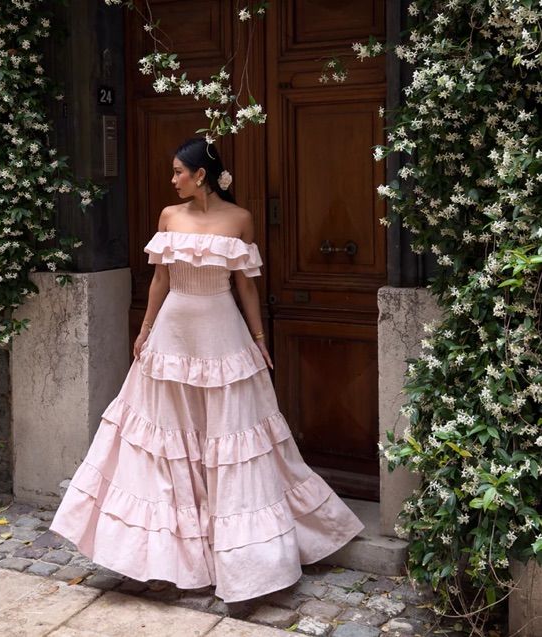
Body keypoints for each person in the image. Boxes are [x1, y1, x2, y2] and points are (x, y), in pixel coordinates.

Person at [49, 137, 364, 603]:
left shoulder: (239, 220)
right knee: (164, 441)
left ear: (201, 175)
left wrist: (259, 341)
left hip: (222, 334)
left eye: (178, 171)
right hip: (171, 338)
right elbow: (160, 278)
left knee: (231, 440)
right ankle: (161, 556)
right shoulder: (168, 217)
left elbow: (247, 288)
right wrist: (144, 329)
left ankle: (245, 562)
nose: (172, 179)